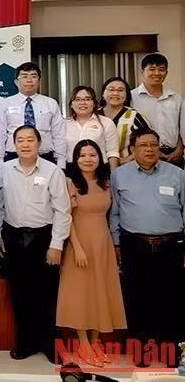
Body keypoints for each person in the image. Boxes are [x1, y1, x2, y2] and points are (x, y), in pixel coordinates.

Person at [110, 129, 185, 366]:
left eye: (154, 144)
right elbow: (115, 213)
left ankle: (170, 351)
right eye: (143, 145)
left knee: (171, 299)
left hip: (171, 245)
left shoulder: (177, 174)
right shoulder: (119, 175)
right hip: (134, 244)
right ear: (133, 150)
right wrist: (116, 243)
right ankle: (140, 349)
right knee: (136, 299)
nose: (150, 149)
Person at [0, 125, 71, 363]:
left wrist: (57, 244)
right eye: (20, 140)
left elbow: (63, 210)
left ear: (39, 144)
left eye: (30, 140)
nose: (25, 144)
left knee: (46, 294)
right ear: (14, 144)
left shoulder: (52, 171)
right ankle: (25, 343)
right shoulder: (5, 170)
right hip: (13, 238)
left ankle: (49, 345)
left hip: (44, 239)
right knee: (20, 295)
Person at [57, 139, 126, 367]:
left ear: (100, 157)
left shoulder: (106, 182)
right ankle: (83, 344)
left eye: (92, 154)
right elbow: (66, 217)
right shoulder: (70, 183)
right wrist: (76, 248)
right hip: (80, 244)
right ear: (75, 159)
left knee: (101, 293)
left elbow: (112, 214)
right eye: (83, 155)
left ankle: (96, 342)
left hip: (103, 243)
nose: (88, 159)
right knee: (81, 295)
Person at [0, 62, 66, 168]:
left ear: (39, 80)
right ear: (16, 82)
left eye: (33, 76)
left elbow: (59, 134)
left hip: (45, 157)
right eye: (24, 76)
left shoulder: (50, 103)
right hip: (13, 157)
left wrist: (61, 162)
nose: (29, 80)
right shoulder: (5, 104)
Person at [130, 53, 183, 167]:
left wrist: (180, 148)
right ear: (142, 71)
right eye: (152, 69)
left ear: (166, 73)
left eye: (161, 69)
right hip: (143, 154)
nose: (157, 73)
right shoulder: (131, 98)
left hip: (173, 155)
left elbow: (180, 127)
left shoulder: (176, 98)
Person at [64, 86, 119, 170]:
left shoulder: (106, 123)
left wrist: (114, 176)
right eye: (77, 99)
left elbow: (113, 152)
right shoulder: (63, 124)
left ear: (94, 103)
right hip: (71, 170)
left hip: (99, 169)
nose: (82, 102)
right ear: (71, 104)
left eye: (87, 99)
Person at [98, 77, 150, 165]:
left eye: (120, 90)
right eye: (111, 89)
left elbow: (149, 141)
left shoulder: (134, 116)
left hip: (126, 167)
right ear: (103, 94)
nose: (115, 93)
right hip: (94, 168)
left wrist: (127, 159)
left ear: (127, 95)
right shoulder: (94, 115)